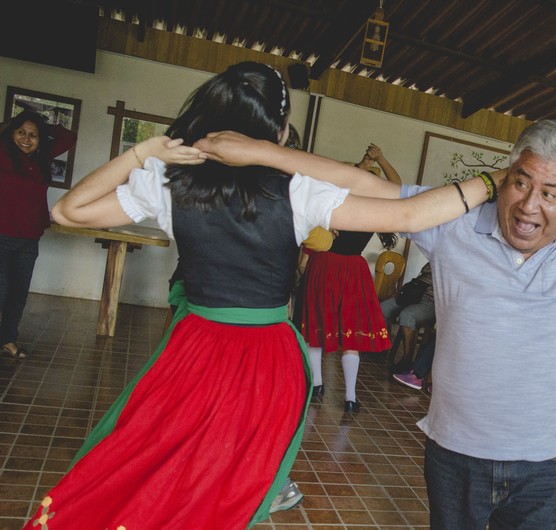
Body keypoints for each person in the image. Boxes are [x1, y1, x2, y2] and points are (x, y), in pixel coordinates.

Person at [26, 61, 497, 529]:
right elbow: (412, 216)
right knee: (227, 487)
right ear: (279, 128)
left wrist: (141, 153)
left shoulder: (169, 183)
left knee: (162, 466)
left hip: (195, 347)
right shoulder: (297, 192)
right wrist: (494, 181)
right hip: (265, 358)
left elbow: (68, 211)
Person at [195, 117, 556, 529]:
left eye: (551, 192)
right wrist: (262, 152)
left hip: (548, 459)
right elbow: (363, 184)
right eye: (521, 182)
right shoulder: (455, 221)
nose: (528, 205)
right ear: (505, 177)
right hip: (458, 449)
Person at [300, 143, 401, 413]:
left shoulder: (335, 202)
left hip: (324, 265)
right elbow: (397, 186)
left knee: (316, 327)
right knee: (351, 334)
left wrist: (365, 164)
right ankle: (350, 397)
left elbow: (338, 180)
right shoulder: (375, 209)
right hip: (353, 270)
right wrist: (381, 159)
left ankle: (316, 385)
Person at [0, 110, 77, 359]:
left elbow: (69, 137)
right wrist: (10, 124)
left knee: (18, 293)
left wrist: (43, 127)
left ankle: (8, 339)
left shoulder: (41, 158)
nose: (26, 139)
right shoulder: (2, 153)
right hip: (1, 235)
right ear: (11, 133)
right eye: (21, 132)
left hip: (29, 237)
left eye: (33, 135)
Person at [381, 261, 435, 373]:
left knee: (407, 316)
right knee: (381, 309)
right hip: (412, 294)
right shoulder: (436, 256)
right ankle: (381, 345)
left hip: (430, 301)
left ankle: (407, 360)